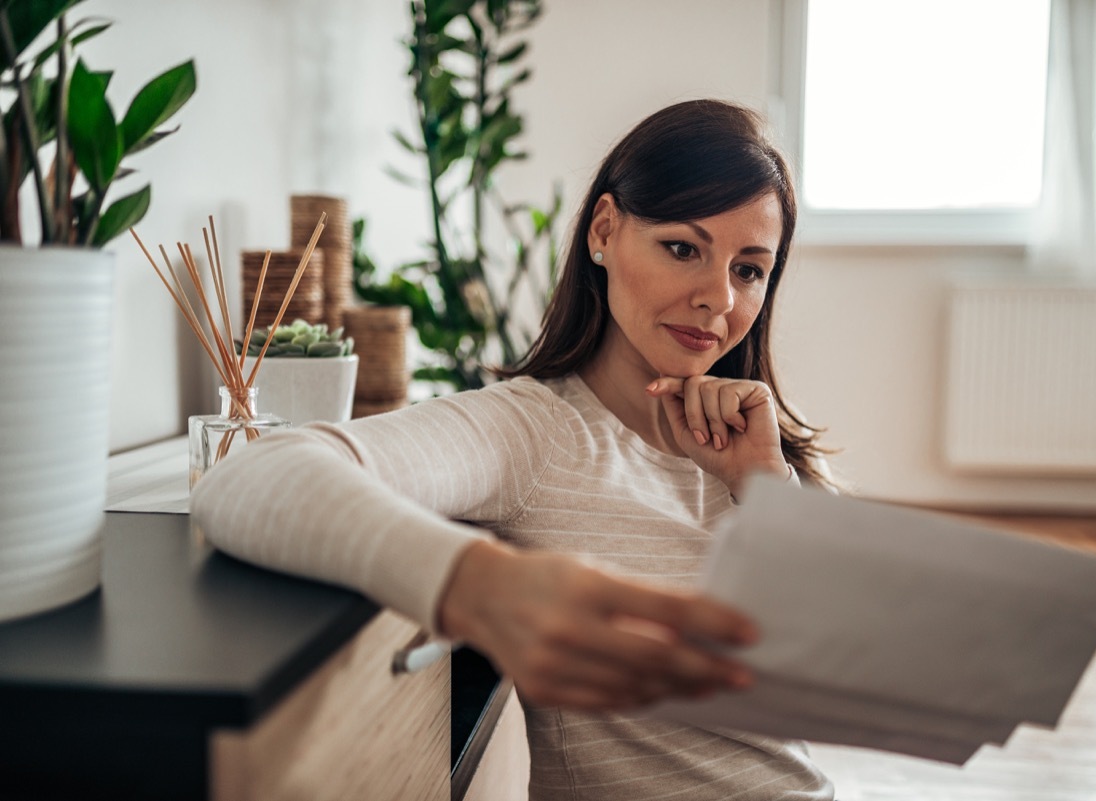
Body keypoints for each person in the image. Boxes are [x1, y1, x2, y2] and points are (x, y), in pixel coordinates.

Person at [193, 98, 835, 800]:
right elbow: (252, 474)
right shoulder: (530, 431)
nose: (718, 298)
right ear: (604, 231)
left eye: (749, 269)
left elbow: (842, 675)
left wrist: (766, 488)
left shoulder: (762, 447)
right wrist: (477, 585)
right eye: (683, 248)